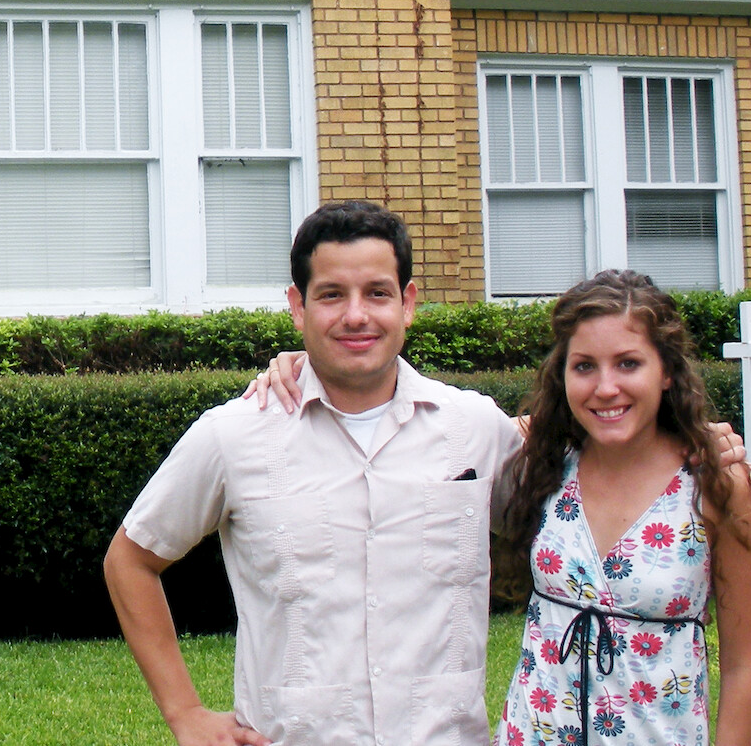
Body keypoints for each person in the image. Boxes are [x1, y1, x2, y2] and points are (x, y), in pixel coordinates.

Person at [104, 200, 525, 746]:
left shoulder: (475, 429)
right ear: (298, 307)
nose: (356, 315)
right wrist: (185, 713)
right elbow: (130, 560)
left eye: (377, 293)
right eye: (331, 295)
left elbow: (579, 505)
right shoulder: (234, 435)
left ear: (408, 303)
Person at [490, 270, 751, 746]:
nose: (605, 387)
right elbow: (449, 427)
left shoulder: (716, 484)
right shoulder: (543, 463)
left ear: (667, 371)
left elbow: (744, 667)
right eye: (584, 366)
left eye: (628, 363)